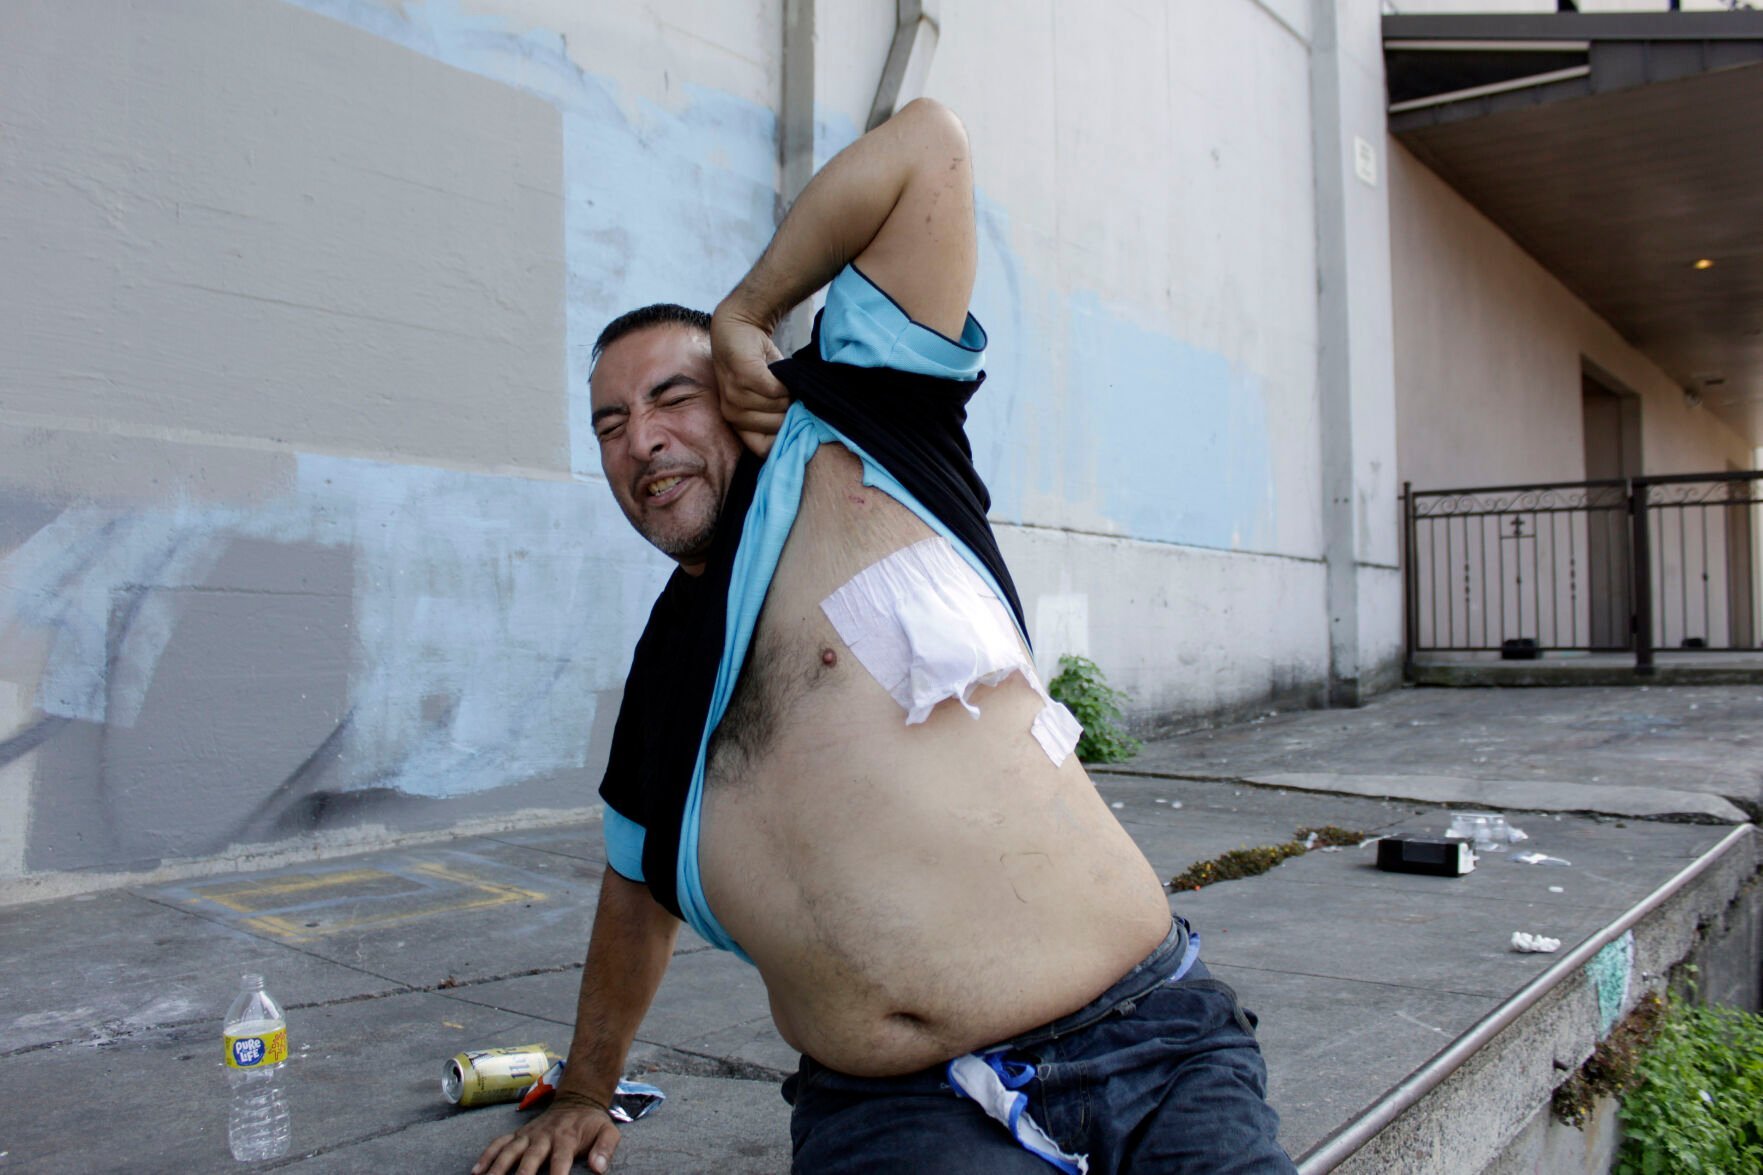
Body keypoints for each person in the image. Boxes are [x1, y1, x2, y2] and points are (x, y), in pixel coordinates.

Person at [473, 98, 1295, 1175]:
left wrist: (747, 308)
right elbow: (633, 888)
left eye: (670, 397)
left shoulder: (864, 432)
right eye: (610, 426)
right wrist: (585, 1085)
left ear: (731, 394)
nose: (643, 441)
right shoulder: (662, 674)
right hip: (894, 1115)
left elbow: (929, 148)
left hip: (1145, 1040)